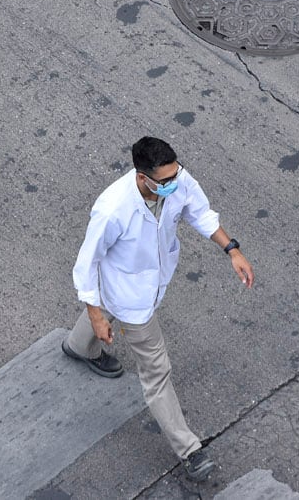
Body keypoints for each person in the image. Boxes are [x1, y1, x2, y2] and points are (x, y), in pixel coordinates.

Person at [63, 136, 253, 482]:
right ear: (141, 177)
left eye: (175, 176)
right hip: (132, 299)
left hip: (141, 282)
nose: (173, 184)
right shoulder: (112, 209)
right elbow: (86, 263)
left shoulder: (176, 179)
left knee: (105, 302)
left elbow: (200, 211)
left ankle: (77, 346)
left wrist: (232, 250)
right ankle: (190, 450)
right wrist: (93, 314)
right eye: (164, 181)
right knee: (156, 370)